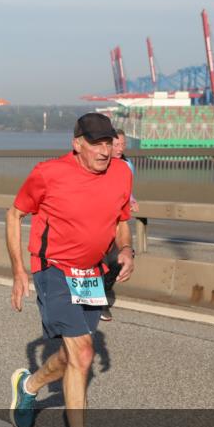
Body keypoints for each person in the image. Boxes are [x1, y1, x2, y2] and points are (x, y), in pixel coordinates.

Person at [5, 112, 134, 427]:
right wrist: (19, 271)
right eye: (95, 143)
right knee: (83, 353)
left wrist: (127, 250)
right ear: (77, 143)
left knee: (70, 355)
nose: (104, 150)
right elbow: (14, 215)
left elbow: (122, 219)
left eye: (109, 142)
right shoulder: (49, 173)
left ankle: (28, 386)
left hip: (91, 274)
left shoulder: (122, 173)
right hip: (54, 270)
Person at [99, 129, 140, 321]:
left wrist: (131, 199)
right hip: (98, 224)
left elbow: (127, 188)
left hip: (117, 223)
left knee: (119, 259)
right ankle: (99, 303)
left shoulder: (127, 165)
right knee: (98, 262)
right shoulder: (99, 164)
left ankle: (102, 295)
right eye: (116, 144)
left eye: (123, 144)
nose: (120, 148)